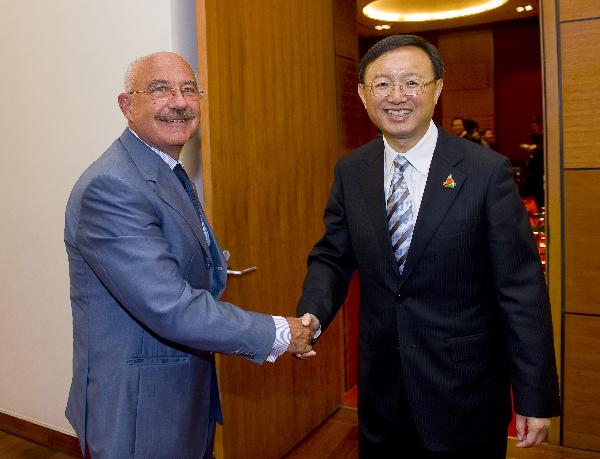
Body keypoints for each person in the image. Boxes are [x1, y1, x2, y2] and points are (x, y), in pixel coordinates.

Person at [296, 35, 560, 458]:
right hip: (382, 391)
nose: (397, 96)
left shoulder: (484, 171)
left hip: (464, 393)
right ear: (363, 95)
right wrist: (312, 313)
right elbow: (333, 255)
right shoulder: (352, 170)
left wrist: (534, 395)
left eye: (412, 82)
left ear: (437, 89)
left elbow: (521, 290)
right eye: (382, 84)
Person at [64, 52, 314, 459]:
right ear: (127, 106)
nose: (178, 101)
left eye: (189, 89)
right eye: (160, 89)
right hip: (140, 410)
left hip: (178, 396)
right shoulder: (112, 187)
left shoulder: (164, 170)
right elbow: (170, 306)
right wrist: (281, 333)